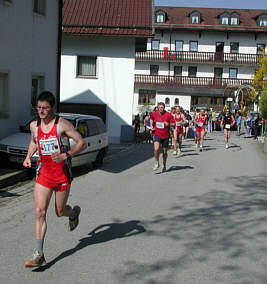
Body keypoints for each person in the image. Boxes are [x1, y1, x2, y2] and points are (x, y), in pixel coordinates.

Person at [23, 91, 87, 268]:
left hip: (61, 174)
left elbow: (82, 143)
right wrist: (29, 155)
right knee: (40, 212)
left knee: (59, 212)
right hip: (44, 173)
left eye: (45, 108)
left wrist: (67, 154)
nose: (41, 111)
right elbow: (34, 141)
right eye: (39, 107)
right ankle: (39, 253)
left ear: (52, 108)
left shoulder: (62, 125)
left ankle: (72, 213)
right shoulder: (34, 125)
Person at [150, 102, 175, 172]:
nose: (161, 109)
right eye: (159, 107)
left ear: (164, 108)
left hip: (165, 136)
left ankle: (164, 165)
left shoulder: (168, 115)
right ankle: (156, 162)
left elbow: (174, 124)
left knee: (164, 152)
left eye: (162, 107)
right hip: (156, 134)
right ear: (157, 108)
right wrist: (152, 126)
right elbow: (151, 118)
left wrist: (169, 124)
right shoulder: (154, 113)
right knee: (156, 148)